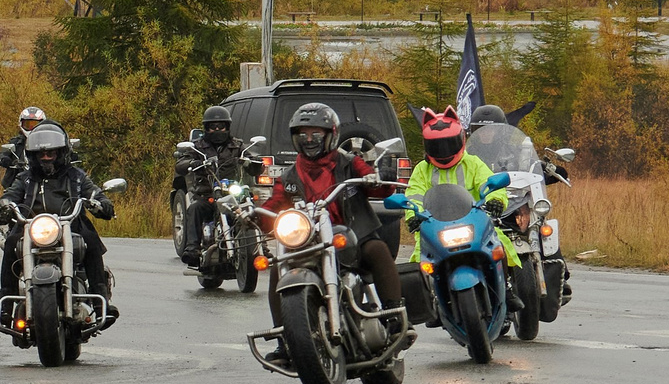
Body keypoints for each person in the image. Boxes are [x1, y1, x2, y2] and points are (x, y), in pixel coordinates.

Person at [261, 102, 407, 322]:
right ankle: (283, 333)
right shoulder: (288, 176)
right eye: (303, 134)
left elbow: (380, 188)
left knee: (377, 249)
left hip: (353, 235)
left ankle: (395, 315)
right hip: (308, 242)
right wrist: (254, 216)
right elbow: (273, 205)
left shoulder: (350, 163)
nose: (309, 140)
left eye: (316, 134)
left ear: (331, 135)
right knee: (278, 267)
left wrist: (381, 178)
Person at [0, 123, 114, 326]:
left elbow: (94, 192)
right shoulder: (26, 179)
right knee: (11, 244)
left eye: (51, 153)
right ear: (33, 155)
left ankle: (102, 305)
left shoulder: (76, 177)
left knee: (90, 242)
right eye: (41, 154)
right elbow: (11, 194)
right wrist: (2, 206)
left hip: (70, 226)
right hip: (32, 228)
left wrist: (100, 203)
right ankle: (5, 308)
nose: (46, 157)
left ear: (61, 153)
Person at [404, 105, 519, 271]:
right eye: (437, 145)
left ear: (461, 138)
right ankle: (425, 287)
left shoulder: (473, 163)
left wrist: (496, 200)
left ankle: (507, 284)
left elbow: (489, 182)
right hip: (434, 230)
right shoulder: (422, 169)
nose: (444, 150)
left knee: (499, 246)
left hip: (474, 225)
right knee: (418, 264)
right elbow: (414, 196)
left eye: (449, 143)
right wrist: (413, 216)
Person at [173, 104, 239, 251]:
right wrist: (192, 162)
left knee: (249, 208)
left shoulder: (237, 146)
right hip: (207, 194)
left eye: (221, 126)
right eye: (213, 127)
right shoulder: (197, 147)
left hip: (232, 195)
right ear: (206, 128)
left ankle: (259, 247)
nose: (217, 130)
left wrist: (254, 163)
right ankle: (192, 248)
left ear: (227, 127)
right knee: (194, 208)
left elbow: (251, 158)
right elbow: (180, 164)